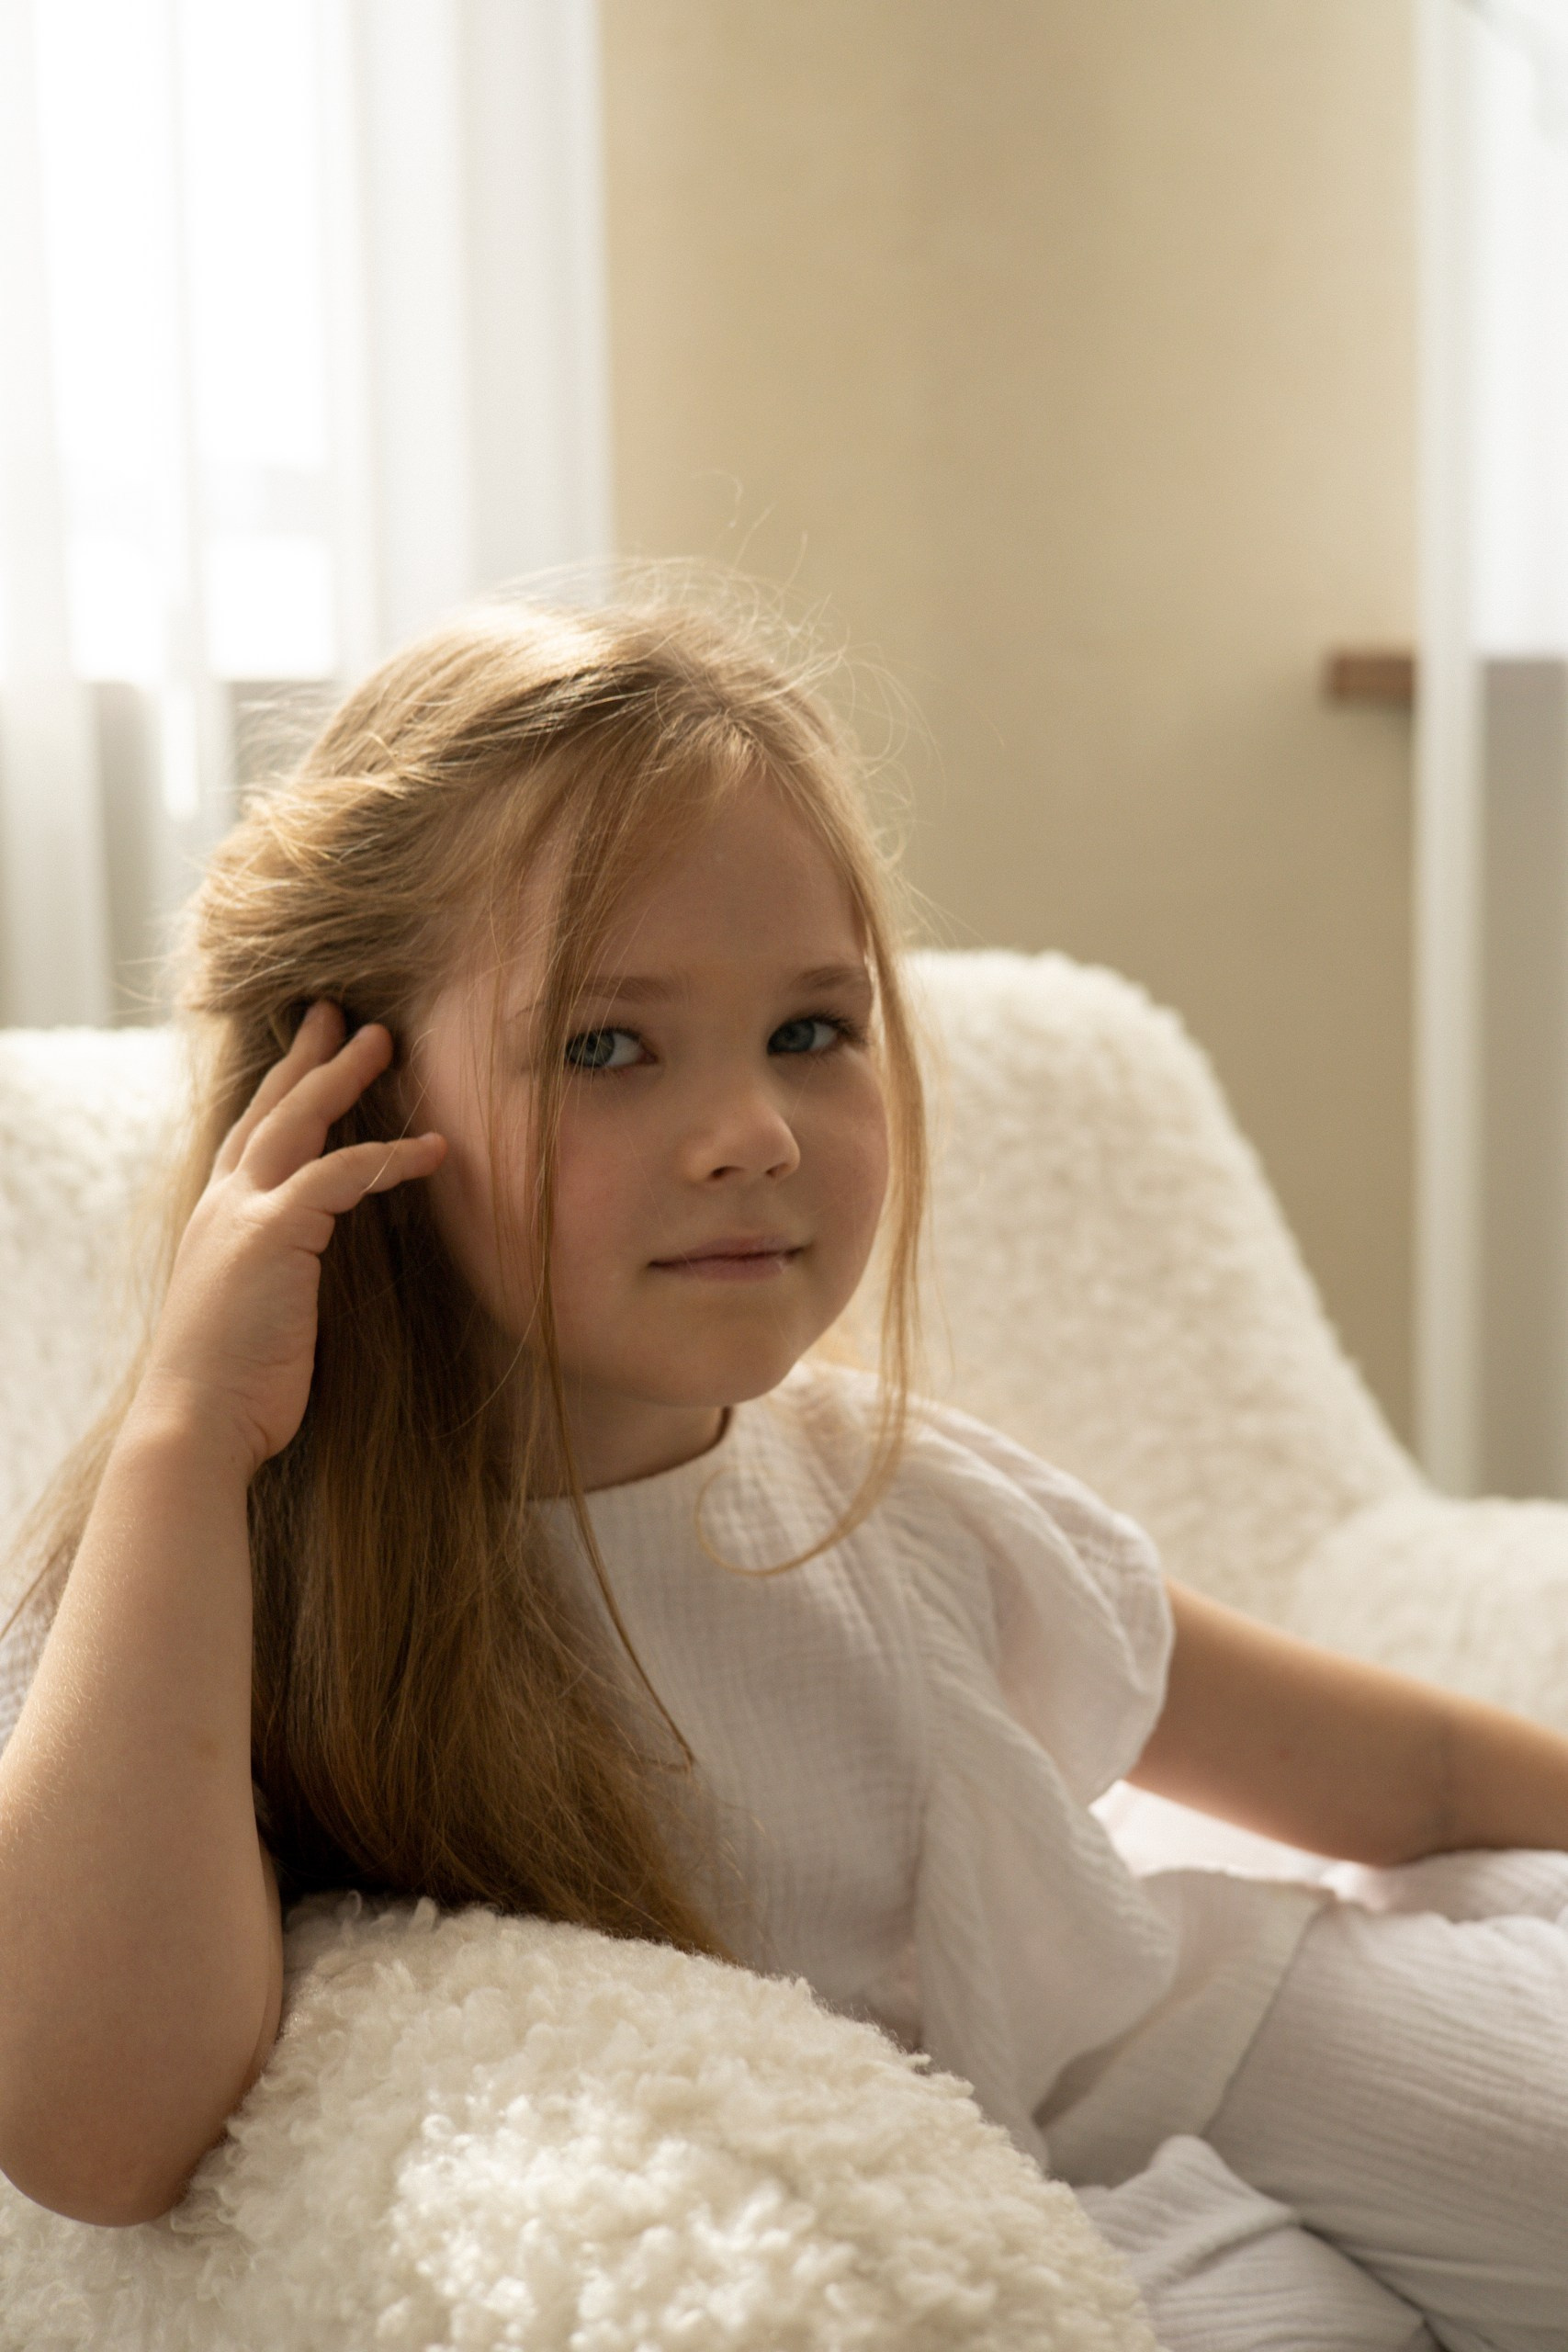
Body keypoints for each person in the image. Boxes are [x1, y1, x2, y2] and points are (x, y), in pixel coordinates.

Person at [0, 593, 1564, 2349]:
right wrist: (185, 1434)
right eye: (606, 1047)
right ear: (353, 1100)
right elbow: (97, 2139)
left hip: (1179, 2040)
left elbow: (1413, 1779)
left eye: (811, 1032)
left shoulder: (901, 1506)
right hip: (976, 2224)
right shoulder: (211, 1580)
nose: (752, 1134)